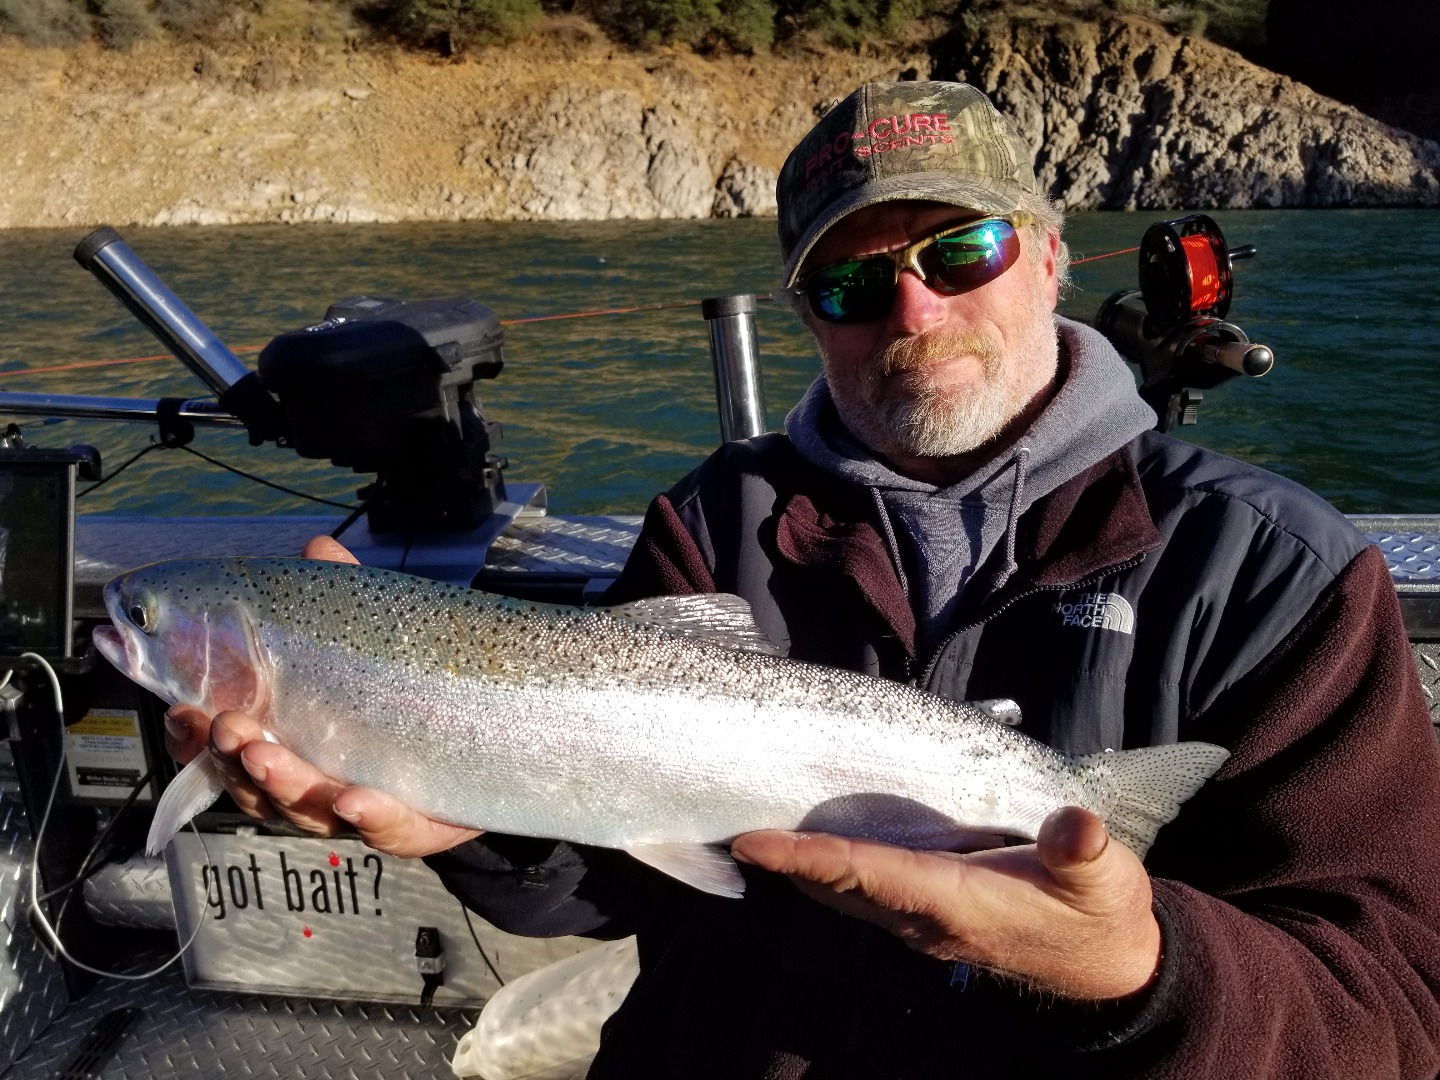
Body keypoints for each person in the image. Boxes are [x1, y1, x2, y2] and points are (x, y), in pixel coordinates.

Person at [165, 81, 1440, 1076]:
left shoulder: (1277, 571)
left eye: (962, 251)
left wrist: (1136, 967)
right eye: (850, 281)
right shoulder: (719, 520)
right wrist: (468, 818)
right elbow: (610, 874)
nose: (913, 310)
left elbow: (1391, 1012)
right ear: (806, 315)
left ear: (1051, 257)